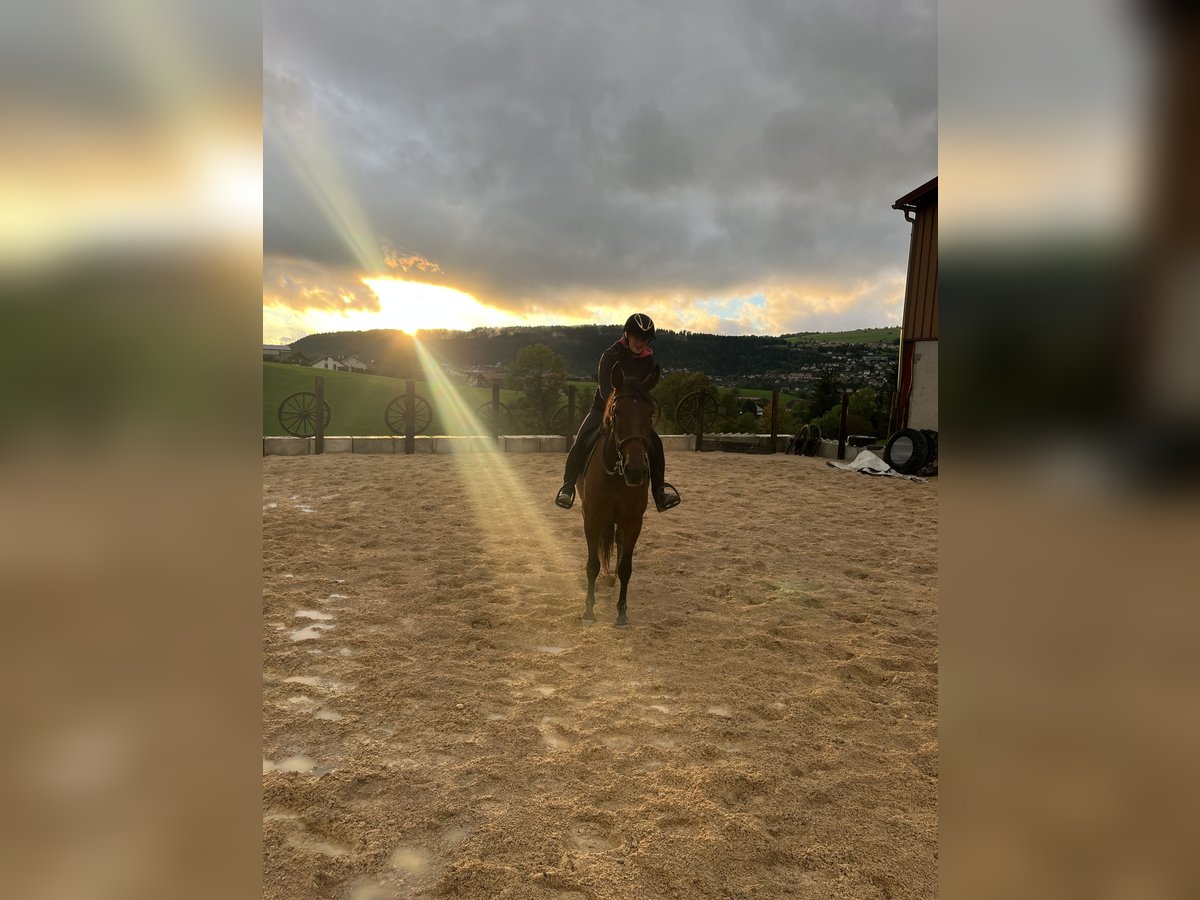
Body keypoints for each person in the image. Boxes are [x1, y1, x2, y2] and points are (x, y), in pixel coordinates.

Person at [555, 314, 681, 512]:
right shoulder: (610, 355)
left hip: (633, 414)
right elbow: (606, 387)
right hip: (603, 408)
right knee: (581, 439)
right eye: (637, 337)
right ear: (627, 335)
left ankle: (659, 491)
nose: (640, 342)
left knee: (655, 443)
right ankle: (568, 486)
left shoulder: (648, 361)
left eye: (645, 339)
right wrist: (615, 409)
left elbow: (644, 391)